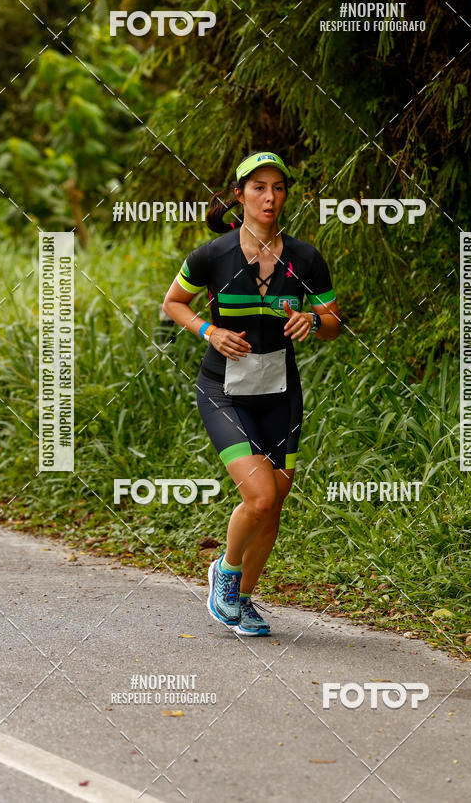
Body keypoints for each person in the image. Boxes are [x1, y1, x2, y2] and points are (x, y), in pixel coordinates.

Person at [163, 151, 341, 636]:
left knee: (276, 500)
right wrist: (208, 331)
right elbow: (173, 303)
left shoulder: (305, 259)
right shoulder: (212, 256)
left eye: (278, 188)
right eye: (259, 187)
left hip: (280, 392)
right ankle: (225, 570)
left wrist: (314, 319)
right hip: (223, 389)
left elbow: (333, 323)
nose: (270, 196)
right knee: (260, 497)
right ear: (239, 195)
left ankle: (242, 601)